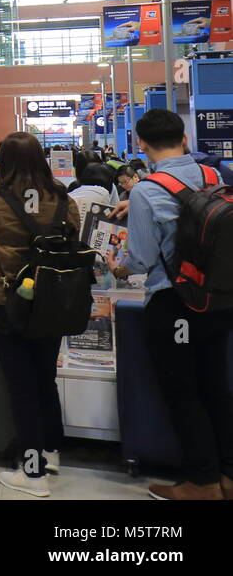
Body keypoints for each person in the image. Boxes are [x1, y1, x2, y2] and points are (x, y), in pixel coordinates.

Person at [103, 109, 233, 501]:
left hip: (175, 302)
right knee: (216, 387)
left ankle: (202, 483)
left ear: (141, 144)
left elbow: (141, 259)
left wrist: (118, 267)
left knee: (182, 391)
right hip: (220, 297)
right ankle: (226, 475)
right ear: (184, 138)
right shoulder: (215, 176)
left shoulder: (146, 189)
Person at [0, 131, 81, 497]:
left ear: (5, 162)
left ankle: (32, 474)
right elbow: (74, 244)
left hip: (6, 301)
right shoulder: (65, 200)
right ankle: (50, 451)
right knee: (44, 377)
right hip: (54, 302)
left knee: (21, 387)